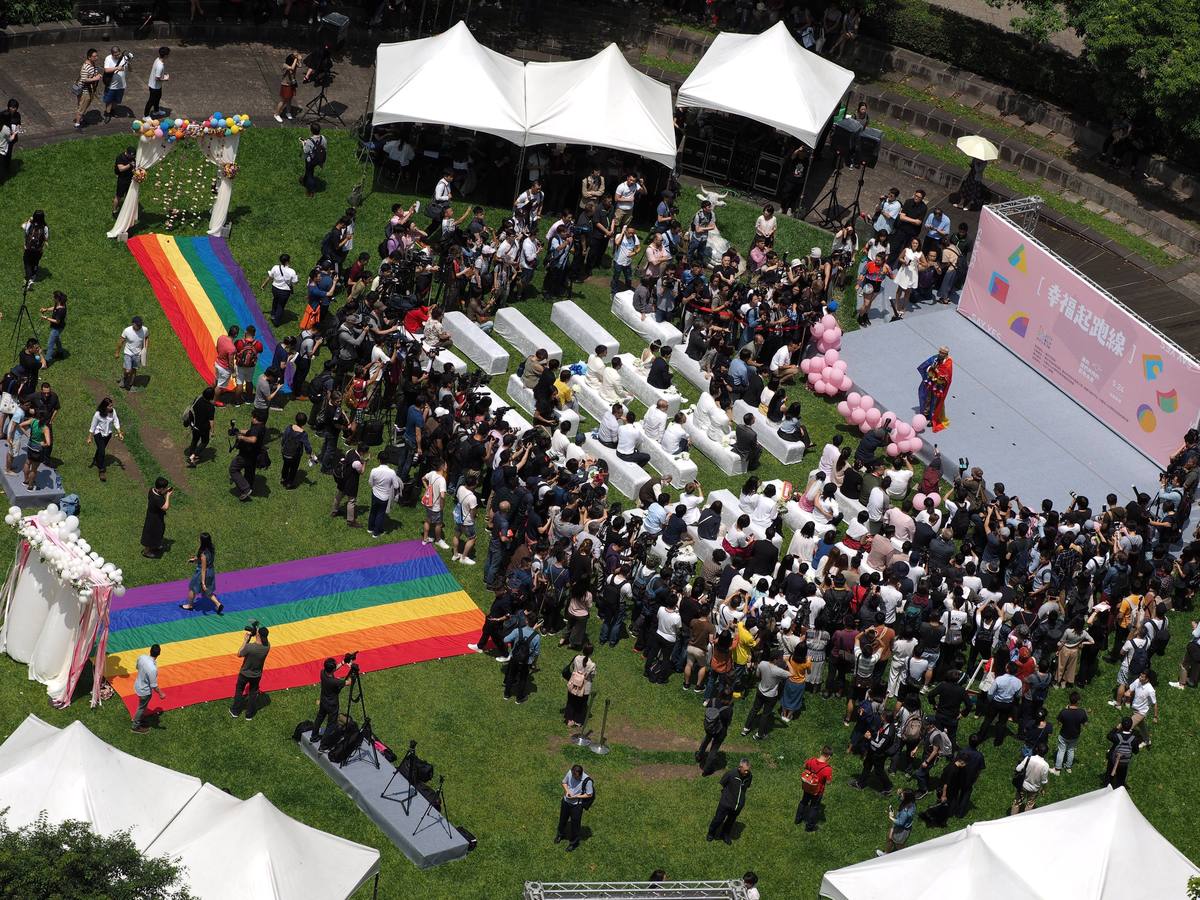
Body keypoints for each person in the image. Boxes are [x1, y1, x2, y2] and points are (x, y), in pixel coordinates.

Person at [230, 625, 270, 720]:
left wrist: (245, 641)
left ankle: (235, 711)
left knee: (239, 690)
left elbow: (239, 653)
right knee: (252, 693)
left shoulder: (250, 647)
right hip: (256, 675)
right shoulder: (267, 646)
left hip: (244, 674)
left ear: (258, 635)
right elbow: (260, 639)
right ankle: (249, 714)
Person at [707, 758, 752, 844]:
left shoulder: (749, 776)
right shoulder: (731, 774)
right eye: (745, 770)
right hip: (726, 803)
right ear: (740, 767)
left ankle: (725, 834)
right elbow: (723, 783)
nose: (747, 772)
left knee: (730, 821)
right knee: (718, 819)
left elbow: (746, 787)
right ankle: (711, 833)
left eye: (748, 770)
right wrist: (726, 796)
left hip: (738, 805)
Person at [310, 656, 352, 744]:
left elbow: (333, 669)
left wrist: (343, 662)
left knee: (319, 718)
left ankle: (313, 736)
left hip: (323, 702)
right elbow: (349, 682)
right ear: (332, 669)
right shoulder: (335, 682)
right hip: (332, 705)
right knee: (331, 724)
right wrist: (352, 668)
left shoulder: (323, 672)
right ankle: (324, 743)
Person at [229, 409, 267, 502]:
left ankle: (246, 489)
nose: (251, 418)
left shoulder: (256, 428)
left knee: (233, 469)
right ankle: (249, 487)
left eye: (253, 417)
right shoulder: (262, 426)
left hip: (246, 454)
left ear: (255, 418)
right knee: (249, 471)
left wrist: (240, 437)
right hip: (255, 454)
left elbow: (253, 439)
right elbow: (250, 432)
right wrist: (238, 431)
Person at [179, 532, 223, 613]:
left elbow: (203, 569)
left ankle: (190, 605)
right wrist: (196, 559)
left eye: (200, 539)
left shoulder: (203, 554)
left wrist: (203, 583)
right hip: (211, 572)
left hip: (202, 573)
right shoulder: (211, 548)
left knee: (192, 588)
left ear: (202, 541)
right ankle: (218, 604)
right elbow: (205, 561)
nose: (198, 539)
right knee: (208, 591)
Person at [503, 614, 541, 704]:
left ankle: (506, 694)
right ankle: (519, 698)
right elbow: (536, 652)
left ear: (526, 621)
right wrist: (534, 663)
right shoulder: (537, 637)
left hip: (515, 658)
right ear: (536, 624)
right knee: (523, 679)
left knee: (511, 675)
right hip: (526, 661)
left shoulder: (517, 631)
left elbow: (505, 640)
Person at [796, 745, 834, 832]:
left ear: (821, 752)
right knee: (814, 807)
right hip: (817, 791)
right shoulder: (827, 769)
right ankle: (809, 827)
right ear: (829, 757)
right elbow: (828, 782)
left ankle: (798, 820)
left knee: (803, 802)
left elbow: (804, 766)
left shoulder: (811, 760)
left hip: (807, 786)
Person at [86, 397, 124, 482]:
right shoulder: (98, 414)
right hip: (98, 433)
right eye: (110, 406)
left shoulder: (112, 412)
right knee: (102, 451)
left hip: (108, 434)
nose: (112, 407)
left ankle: (96, 459)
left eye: (112, 405)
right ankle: (101, 470)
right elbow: (93, 426)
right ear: (104, 406)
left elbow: (116, 421)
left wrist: (119, 432)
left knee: (100, 449)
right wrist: (89, 437)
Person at [556, 764, 593, 851]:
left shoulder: (587, 781)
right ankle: (560, 835)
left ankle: (574, 843)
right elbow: (564, 782)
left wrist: (576, 796)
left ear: (580, 774)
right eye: (573, 775)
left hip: (577, 805)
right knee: (562, 820)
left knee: (575, 825)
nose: (574, 778)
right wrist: (567, 791)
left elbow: (589, 794)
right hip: (566, 802)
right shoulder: (570, 773)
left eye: (576, 777)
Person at [697, 690, 734, 776]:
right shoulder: (728, 709)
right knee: (714, 749)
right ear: (728, 698)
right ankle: (706, 770)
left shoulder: (712, 700)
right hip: (720, 731)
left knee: (706, 739)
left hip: (709, 727)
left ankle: (699, 755)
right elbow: (728, 722)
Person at [917, 346, 953, 432]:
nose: (940, 354)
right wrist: (927, 375)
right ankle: (925, 414)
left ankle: (932, 420)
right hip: (931, 384)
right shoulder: (935, 358)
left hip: (939, 387)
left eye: (942, 353)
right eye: (940, 352)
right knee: (927, 398)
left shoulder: (948, 363)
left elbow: (947, 376)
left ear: (946, 354)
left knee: (935, 403)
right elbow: (923, 366)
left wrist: (940, 378)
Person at [131, 644, 165, 733]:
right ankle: (135, 726)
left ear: (150, 650)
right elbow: (154, 685)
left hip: (138, 685)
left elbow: (137, 667)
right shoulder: (152, 669)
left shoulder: (142, 657)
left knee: (141, 707)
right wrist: (161, 693)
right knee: (141, 708)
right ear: (159, 654)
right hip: (144, 691)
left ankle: (138, 719)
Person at [1051, 691, 1087, 774]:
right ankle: (1068, 767)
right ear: (1078, 701)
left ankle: (1057, 769)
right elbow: (1085, 724)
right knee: (1071, 750)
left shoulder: (1064, 712)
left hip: (1064, 735)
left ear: (1069, 700)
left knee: (1061, 751)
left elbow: (1059, 723)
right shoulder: (1082, 712)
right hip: (1075, 735)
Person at [279, 412, 316, 489]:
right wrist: (310, 454)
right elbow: (307, 446)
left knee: (285, 466)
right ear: (305, 423)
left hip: (285, 452)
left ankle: (283, 478)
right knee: (293, 469)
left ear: (296, 419)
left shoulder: (289, 427)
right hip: (295, 456)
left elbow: (284, 438)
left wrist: (283, 446)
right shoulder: (303, 434)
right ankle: (289, 484)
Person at [1011, 743, 1050, 814]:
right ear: (1046, 753)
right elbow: (1044, 781)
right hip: (1034, 789)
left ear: (1036, 749)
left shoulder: (1028, 758)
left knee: (1016, 803)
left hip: (1023, 786)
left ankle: (1011, 820)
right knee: (1029, 805)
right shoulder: (1045, 766)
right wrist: (1043, 789)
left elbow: (1018, 769)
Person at [1104, 716, 1142, 788]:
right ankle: (1119, 790)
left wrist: (1116, 728)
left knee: (1109, 775)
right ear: (1131, 726)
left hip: (1113, 760)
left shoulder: (1117, 736)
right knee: (1121, 778)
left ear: (1121, 725)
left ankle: (1107, 786)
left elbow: (1109, 736)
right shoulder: (1134, 739)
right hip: (1124, 762)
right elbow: (1136, 751)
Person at [262, 253, 299, 327]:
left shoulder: (275, 267)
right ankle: (276, 321)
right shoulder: (292, 271)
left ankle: (273, 314)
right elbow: (295, 282)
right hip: (284, 292)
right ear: (287, 261)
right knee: (281, 306)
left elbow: (270, 277)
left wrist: (264, 285)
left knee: (275, 300)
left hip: (275, 289)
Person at [368, 458, 401, 538]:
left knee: (373, 511)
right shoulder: (392, 472)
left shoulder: (374, 470)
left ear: (379, 460)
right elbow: (396, 486)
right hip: (385, 497)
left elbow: (370, 483)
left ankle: (370, 528)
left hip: (375, 494)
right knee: (380, 514)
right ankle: (376, 533)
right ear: (388, 461)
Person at [564, 642, 596, 725]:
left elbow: (573, 667)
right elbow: (592, 676)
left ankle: (569, 720)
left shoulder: (577, 658)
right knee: (581, 705)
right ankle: (578, 721)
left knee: (571, 701)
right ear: (591, 653)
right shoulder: (592, 665)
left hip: (573, 684)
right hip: (584, 688)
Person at [877, 789, 917, 855]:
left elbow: (900, 822)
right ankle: (886, 854)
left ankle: (904, 856)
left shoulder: (905, 812)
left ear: (906, 798)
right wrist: (900, 793)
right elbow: (901, 799)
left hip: (901, 830)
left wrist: (891, 818)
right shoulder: (911, 803)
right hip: (899, 826)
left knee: (899, 844)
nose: (900, 796)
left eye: (902, 795)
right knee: (890, 838)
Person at [184, 386, 216, 467]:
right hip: (203, 428)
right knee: (205, 442)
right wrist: (212, 431)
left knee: (195, 440)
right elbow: (211, 420)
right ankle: (192, 457)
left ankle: (191, 453)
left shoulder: (198, 399)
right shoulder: (211, 407)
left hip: (194, 425)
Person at [140, 476, 171, 558]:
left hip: (155, 516)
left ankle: (156, 545)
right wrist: (168, 496)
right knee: (151, 534)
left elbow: (160, 494)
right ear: (160, 488)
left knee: (159, 531)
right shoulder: (157, 498)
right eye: (165, 488)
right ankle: (146, 552)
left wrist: (165, 491)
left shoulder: (152, 490)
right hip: (154, 519)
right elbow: (165, 507)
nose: (166, 489)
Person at [116, 314, 149, 392]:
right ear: (133, 324)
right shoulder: (127, 331)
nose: (140, 327)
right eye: (138, 325)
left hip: (138, 354)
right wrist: (117, 352)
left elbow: (147, 337)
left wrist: (145, 348)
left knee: (134, 370)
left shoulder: (144, 329)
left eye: (141, 325)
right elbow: (120, 342)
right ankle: (124, 378)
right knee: (128, 370)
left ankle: (130, 385)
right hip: (128, 353)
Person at [72, 48, 103, 129]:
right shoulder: (86, 67)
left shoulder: (92, 64)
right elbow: (84, 79)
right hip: (85, 91)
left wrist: (97, 75)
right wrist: (95, 78)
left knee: (84, 106)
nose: (96, 58)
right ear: (89, 57)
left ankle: (81, 119)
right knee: (81, 108)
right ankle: (77, 124)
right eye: (94, 56)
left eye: (97, 56)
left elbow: (92, 74)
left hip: (89, 90)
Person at [101, 46, 129, 123]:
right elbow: (106, 70)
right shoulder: (108, 58)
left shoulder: (124, 58)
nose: (117, 56)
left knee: (116, 100)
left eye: (118, 54)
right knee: (108, 101)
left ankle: (112, 111)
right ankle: (107, 114)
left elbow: (130, 70)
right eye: (115, 55)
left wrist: (129, 62)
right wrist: (117, 68)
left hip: (121, 84)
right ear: (112, 54)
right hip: (111, 85)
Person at [21, 210, 48, 286]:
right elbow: (46, 238)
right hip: (38, 250)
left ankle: (29, 278)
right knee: (35, 262)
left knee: (27, 263)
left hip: (28, 249)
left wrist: (29, 220)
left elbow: (23, 227)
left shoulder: (30, 224)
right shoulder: (45, 227)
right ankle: (33, 275)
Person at [144, 46, 170, 119]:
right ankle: (146, 115)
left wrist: (163, 75)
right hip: (154, 86)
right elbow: (157, 78)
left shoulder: (157, 59)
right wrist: (166, 78)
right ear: (165, 55)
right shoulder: (160, 65)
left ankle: (156, 111)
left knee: (158, 98)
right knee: (151, 101)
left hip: (157, 86)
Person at [301, 123, 326, 198]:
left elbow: (306, 151)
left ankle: (310, 191)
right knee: (308, 171)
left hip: (311, 160)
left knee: (310, 174)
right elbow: (324, 147)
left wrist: (303, 143)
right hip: (319, 159)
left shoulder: (309, 141)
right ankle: (304, 179)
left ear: (311, 131)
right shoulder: (323, 138)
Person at [274, 52, 300, 123]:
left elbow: (299, 65)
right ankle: (276, 114)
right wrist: (296, 59)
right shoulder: (285, 65)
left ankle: (288, 112)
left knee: (290, 99)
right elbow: (291, 68)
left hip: (291, 84)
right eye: (294, 59)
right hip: (286, 84)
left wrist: (298, 59)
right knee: (283, 100)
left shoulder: (294, 63)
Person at [112, 146, 135, 218]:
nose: (131, 157)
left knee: (129, 196)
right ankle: (114, 210)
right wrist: (130, 165)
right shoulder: (120, 157)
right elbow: (121, 169)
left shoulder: (133, 157)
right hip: (122, 179)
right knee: (119, 196)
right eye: (130, 155)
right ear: (126, 152)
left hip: (131, 179)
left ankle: (127, 211)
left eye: (132, 155)